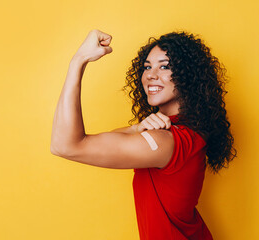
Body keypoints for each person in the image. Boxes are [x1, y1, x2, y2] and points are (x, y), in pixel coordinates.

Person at [50, 29, 236, 240]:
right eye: (147, 67)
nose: (150, 75)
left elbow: (65, 145)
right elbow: (110, 140)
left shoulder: (166, 141)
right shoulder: (180, 133)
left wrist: (78, 61)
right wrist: (136, 129)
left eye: (164, 66)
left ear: (188, 76)